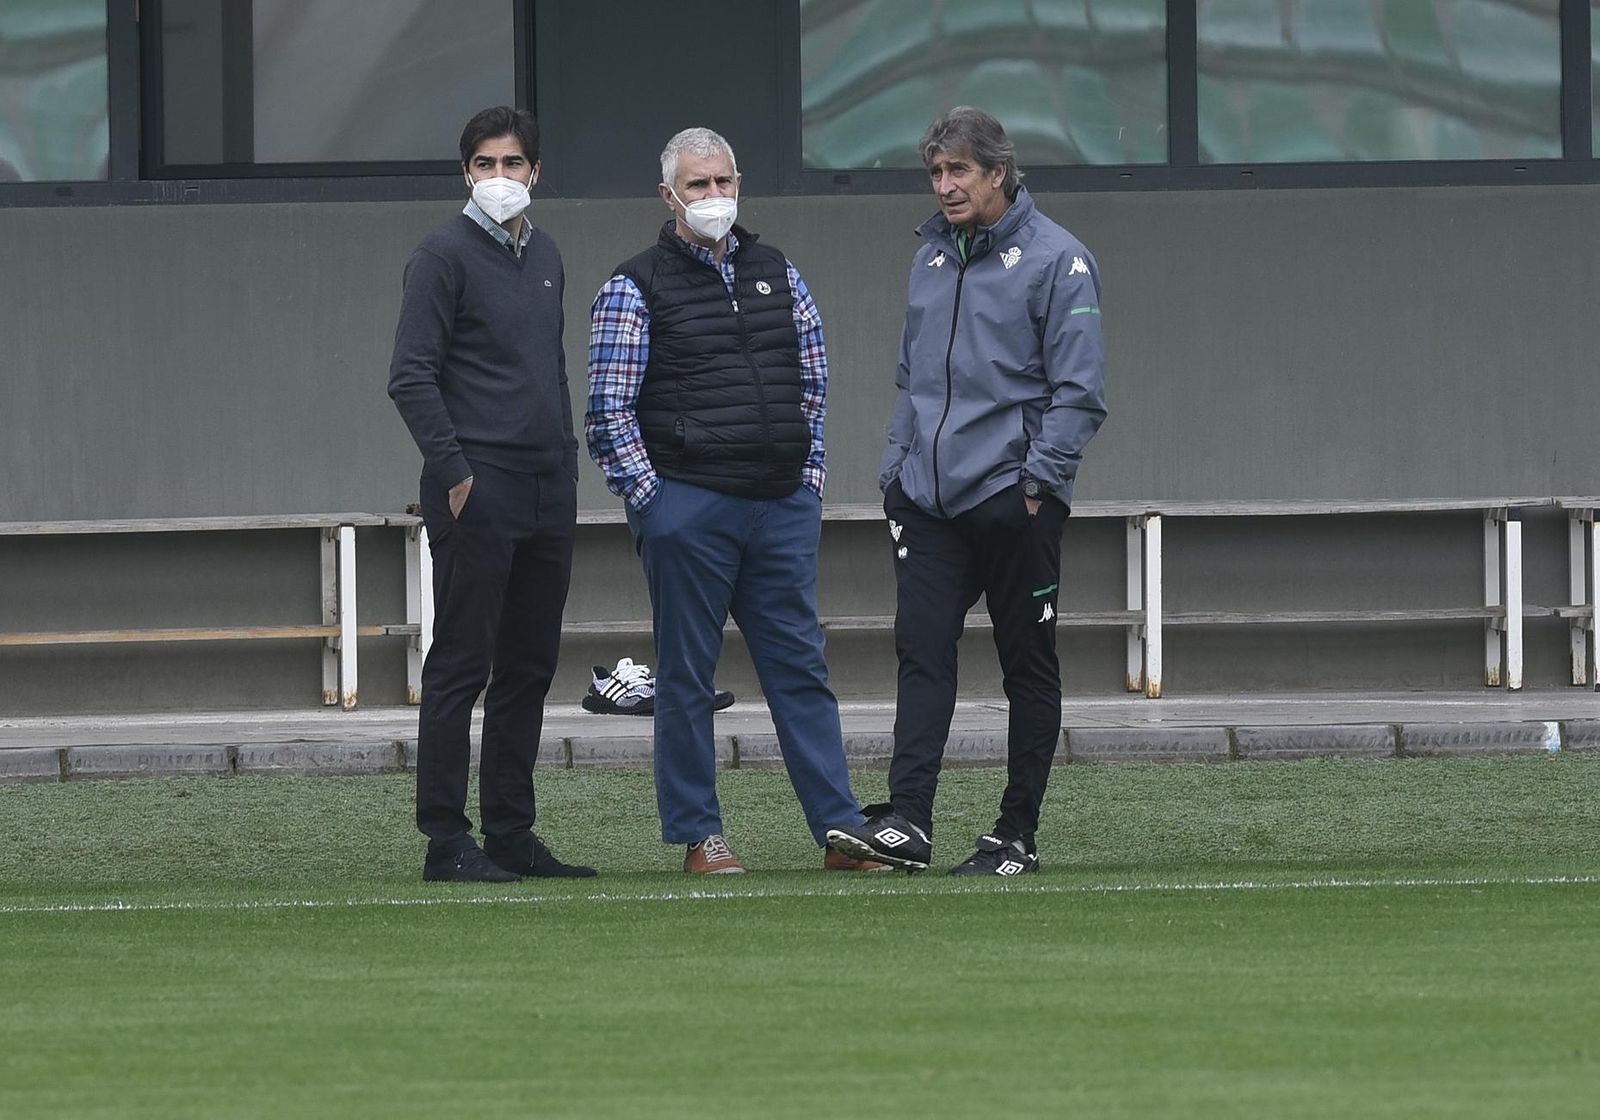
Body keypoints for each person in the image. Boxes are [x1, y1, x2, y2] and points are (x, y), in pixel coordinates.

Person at [586, 127, 881, 875]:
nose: (713, 197)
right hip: (690, 509)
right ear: (668, 196)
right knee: (686, 678)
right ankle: (699, 836)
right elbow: (607, 410)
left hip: (780, 507)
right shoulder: (634, 284)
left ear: (739, 183)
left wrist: (809, 482)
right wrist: (657, 504)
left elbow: (813, 385)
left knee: (802, 671)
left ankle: (841, 831)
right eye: (697, 186)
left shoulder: (778, 272)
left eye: (722, 183)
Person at [827, 107, 1108, 876]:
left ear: (998, 173)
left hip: (1014, 502)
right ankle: (909, 822)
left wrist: (1036, 484)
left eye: (959, 172)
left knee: (1028, 665)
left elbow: (1079, 394)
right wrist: (895, 472)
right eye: (936, 173)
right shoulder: (930, 257)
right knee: (921, 651)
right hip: (928, 503)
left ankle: (1016, 836)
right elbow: (910, 379)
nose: (945, 187)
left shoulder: (1061, 260)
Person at [387, 106, 594, 883]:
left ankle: (511, 833)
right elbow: (410, 376)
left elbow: (551, 368)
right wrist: (458, 475)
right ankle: (446, 841)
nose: (499, 178)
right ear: (465, 172)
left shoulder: (546, 254)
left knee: (530, 666)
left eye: (512, 164)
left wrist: (565, 461)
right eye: (484, 164)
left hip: (548, 486)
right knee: (461, 665)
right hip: (478, 488)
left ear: (536, 172)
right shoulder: (440, 255)